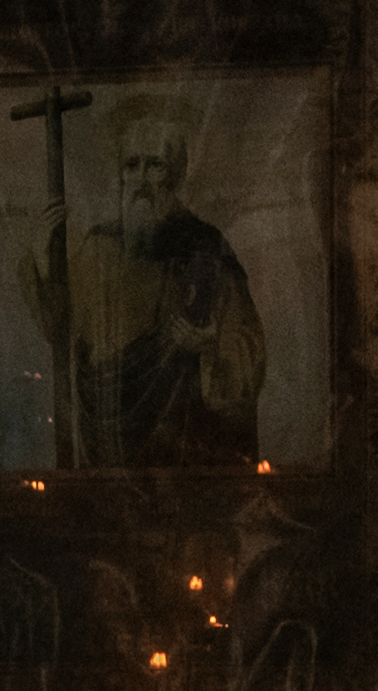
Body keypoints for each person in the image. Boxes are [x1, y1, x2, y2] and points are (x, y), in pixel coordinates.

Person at [75, 108, 266, 469]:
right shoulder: (98, 247)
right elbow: (66, 330)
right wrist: (41, 253)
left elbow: (249, 347)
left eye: (155, 165)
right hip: (108, 452)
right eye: (133, 166)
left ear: (175, 174)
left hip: (189, 442)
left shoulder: (206, 247)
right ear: (121, 175)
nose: (142, 180)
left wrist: (211, 347)